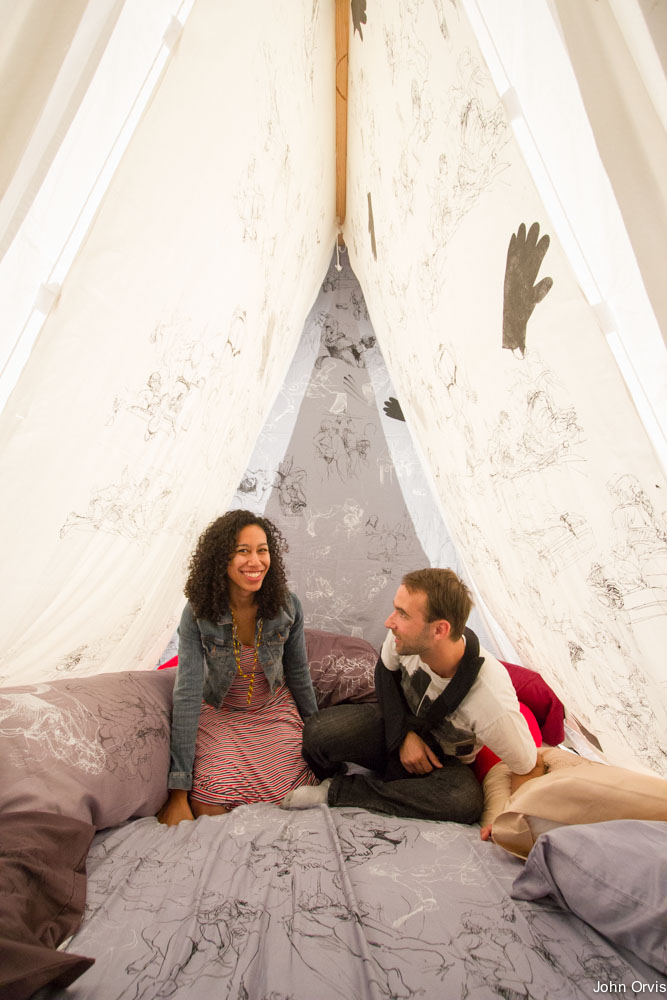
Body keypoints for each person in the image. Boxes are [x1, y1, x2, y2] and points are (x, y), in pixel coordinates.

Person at [280, 568, 544, 837]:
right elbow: (385, 671)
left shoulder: (492, 701)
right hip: (395, 725)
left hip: (442, 763)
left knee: (464, 802)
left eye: (403, 614)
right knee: (318, 732)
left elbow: (529, 766)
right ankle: (341, 773)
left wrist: (510, 821)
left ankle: (338, 791)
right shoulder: (403, 639)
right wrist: (403, 736)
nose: (389, 621)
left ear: (439, 629)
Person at [158, 510, 319, 825]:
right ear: (222, 558)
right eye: (243, 551)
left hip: (272, 710)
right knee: (208, 804)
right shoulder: (197, 612)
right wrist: (178, 792)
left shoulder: (288, 606)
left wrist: (318, 735)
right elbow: (187, 691)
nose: (255, 561)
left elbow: (299, 675)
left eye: (262, 550)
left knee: (299, 791)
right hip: (222, 714)